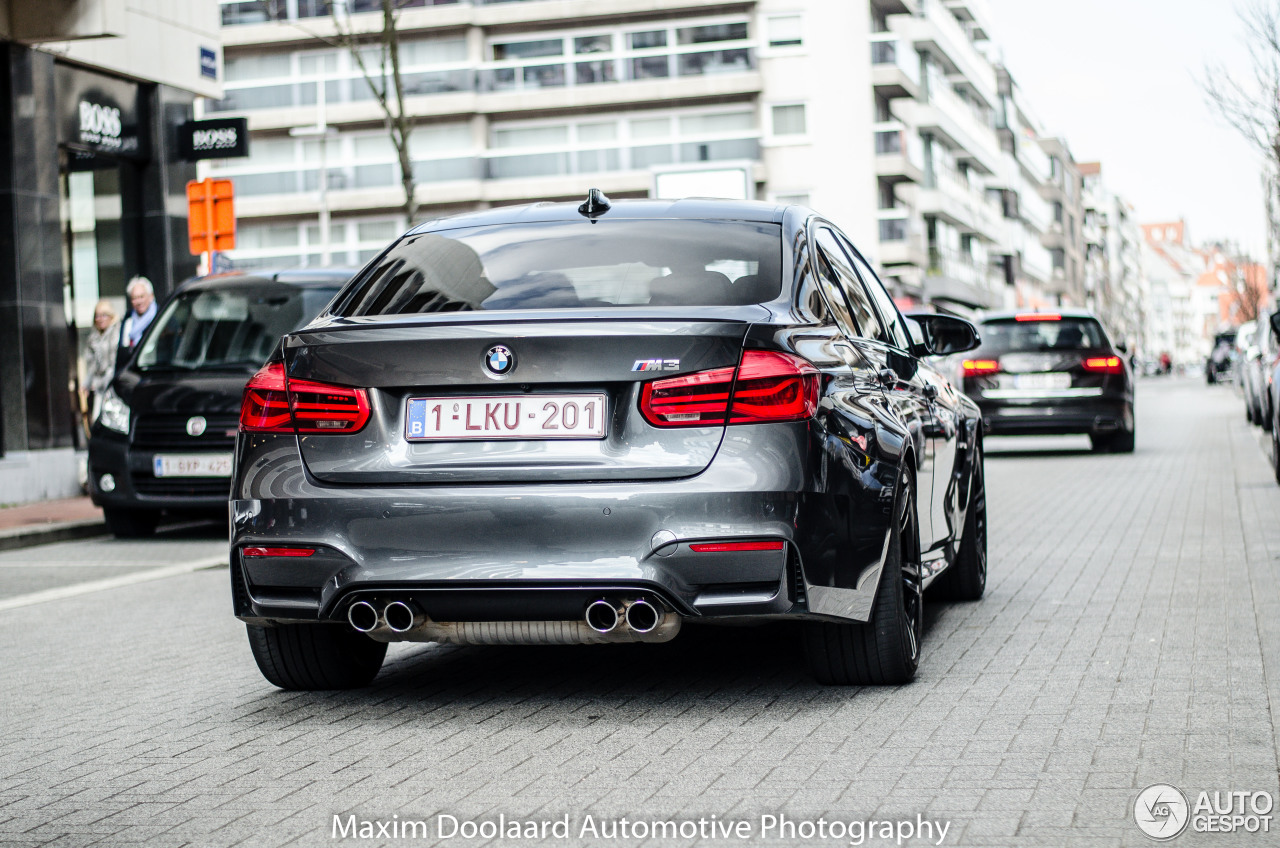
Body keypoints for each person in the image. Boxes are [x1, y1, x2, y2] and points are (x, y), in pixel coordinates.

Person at [81, 299, 119, 427]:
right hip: (98, 386)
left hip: (113, 383)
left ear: (111, 316)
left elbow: (115, 363)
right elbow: (91, 365)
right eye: (97, 316)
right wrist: (86, 384)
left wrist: (103, 382)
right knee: (96, 419)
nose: (100, 319)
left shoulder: (117, 332)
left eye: (104, 315)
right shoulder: (93, 338)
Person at [118, 276, 157, 366]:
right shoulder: (127, 320)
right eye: (134, 298)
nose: (138, 302)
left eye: (141, 297)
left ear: (151, 297)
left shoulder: (160, 317)